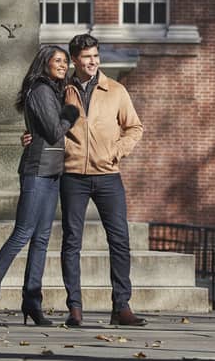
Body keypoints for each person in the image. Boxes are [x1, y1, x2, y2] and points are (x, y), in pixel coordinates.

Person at [0, 45, 79, 326]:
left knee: (42, 240)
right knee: (22, 234)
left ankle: (32, 303)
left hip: (52, 172)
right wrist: (70, 112)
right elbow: (55, 130)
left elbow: (47, 130)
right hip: (36, 172)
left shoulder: (53, 90)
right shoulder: (42, 89)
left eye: (65, 61)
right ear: (44, 63)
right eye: (57, 60)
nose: (63, 64)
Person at [59, 33, 145, 327]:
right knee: (71, 242)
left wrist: (116, 152)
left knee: (119, 239)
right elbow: (47, 123)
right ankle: (75, 308)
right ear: (75, 60)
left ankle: (121, 307)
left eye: (96, 55)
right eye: (87, 57)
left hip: (108, 175)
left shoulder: (116, 90)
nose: (93, 61)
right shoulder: (62, 89)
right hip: (72, 176)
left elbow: (134, 128)